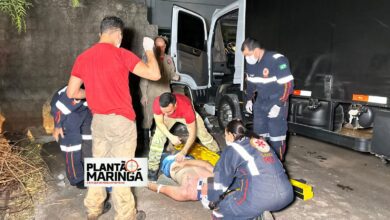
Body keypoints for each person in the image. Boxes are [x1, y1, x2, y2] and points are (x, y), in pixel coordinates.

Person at [66, 16, 160, 220]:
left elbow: (72, 92)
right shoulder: (121, 54)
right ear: (118, 34)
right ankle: (126, 215)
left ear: (100, 34)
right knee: (123, 170)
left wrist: (89, 93)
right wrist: (150, 50)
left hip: (98, 121)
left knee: (99, 165)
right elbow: (154, 74)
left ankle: (93, 210)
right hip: (122, 122)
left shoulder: (83, 57)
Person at [148, 119, 294, 220]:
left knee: (220, 211)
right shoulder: (258, 141)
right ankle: (254, 213)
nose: (225, 138)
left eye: (225, 135)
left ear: (231, 135)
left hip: (262, 197)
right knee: (237, 192)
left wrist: (212, 200)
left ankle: (256, 215)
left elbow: (217, 179)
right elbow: (227, 175)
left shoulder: (189, 191)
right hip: (286, 194)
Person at [241, 37, 294, 161]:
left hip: (276, 101)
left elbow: (288, 85)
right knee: (259, 137)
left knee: (276, 137)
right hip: (261, 102)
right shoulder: (251, 64)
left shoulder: (276, 60)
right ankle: (263, 164)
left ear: (256, 50)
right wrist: (249, 99)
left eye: (248, 55)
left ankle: (278, 166)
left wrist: (279, 104)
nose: (247, 58)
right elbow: (251, 83)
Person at [148, 92, 219, 181]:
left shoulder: (186, 107)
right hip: (169, 118)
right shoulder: (158, 103)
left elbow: (192, 134)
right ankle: (152, 169)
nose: (165, 114)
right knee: (158, 138)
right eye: (163, 111)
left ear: (175, 105)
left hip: (184, 114)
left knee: (203, 134)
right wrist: (171, 136)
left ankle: (216, 152)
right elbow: (159, 123)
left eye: (168, 111)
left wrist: (183, 152)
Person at [139, 36, 180, 149]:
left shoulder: (169, 59)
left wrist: (175, 76)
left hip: (165, 93)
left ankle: (164, 143)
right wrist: (144, 95)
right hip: (151, 94)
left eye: (162, 46)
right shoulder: (149, 59)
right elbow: (143, 79)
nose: (160, 48)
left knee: (166, 119)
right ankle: (146, 145)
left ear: (165, 46)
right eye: (158, 46)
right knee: (148, 119)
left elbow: (171, 73)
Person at [50, 85, 92, 189]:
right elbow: (59, 108)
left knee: (89, 139)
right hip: (67, 113)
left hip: (84, 110)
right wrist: (58, 125)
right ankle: (77, 178)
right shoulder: (76, 91)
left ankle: (88, 168)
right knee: (72, 145)